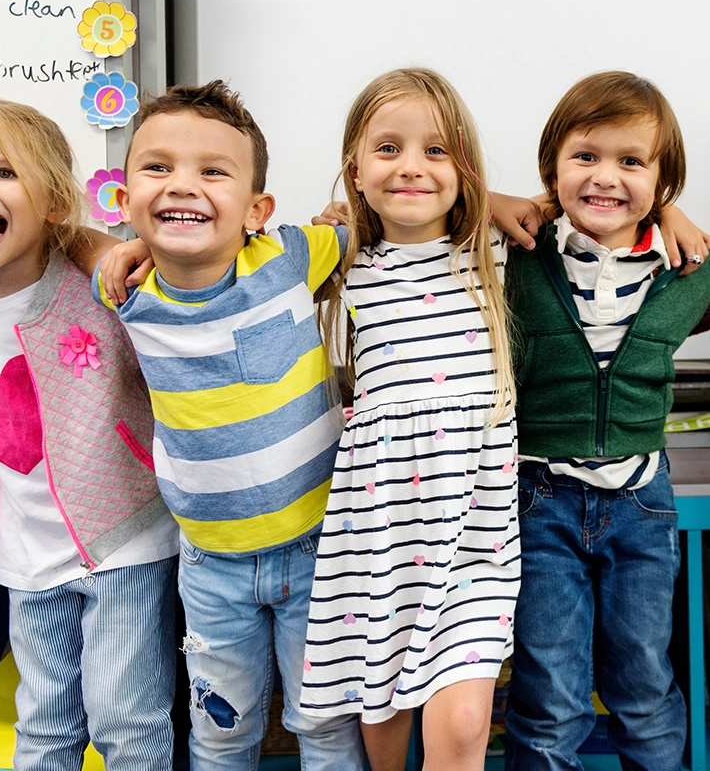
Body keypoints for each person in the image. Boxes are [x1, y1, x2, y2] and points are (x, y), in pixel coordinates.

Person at [92, 80, 364, 770]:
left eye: (212, 171)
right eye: (158, 168)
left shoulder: (289, 256)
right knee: (221, 732)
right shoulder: (124, 289)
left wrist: (347, 213)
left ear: (256, 210)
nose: (183, 185)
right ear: (125, 201)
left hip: (320, 549)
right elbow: (49, 238)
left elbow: (378, 219)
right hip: (211, 565)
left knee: (327, 727)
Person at [0, 97, 181, 771]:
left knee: (126, 723)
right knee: (43, 726)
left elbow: (154, 270)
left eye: (4, 172)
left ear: (56, 202)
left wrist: (95, 246)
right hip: (29, 558)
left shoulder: (98, 288)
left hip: (126, 539)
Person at [295, 67, 520, 771]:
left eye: (436, 150)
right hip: (380, 531)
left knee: (464, 722)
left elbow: (595, 202)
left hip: (475, 534)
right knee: (382, 725)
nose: (412, 167)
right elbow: (216, 259)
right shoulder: (340, 259)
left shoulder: (494, 250)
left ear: (465, 166)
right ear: (355, 168)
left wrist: (671, 212)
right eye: (388, 149)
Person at [502, 70, 710, 771]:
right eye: (585, 156)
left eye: (631, 162)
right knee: (549, 694)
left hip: (641, 505)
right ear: (553, 167)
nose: (605, 177)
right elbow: (439, 210)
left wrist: (673, 211)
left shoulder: (685, 268)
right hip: (542, 501)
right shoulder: (519, 253)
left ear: (661, 178)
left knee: (643, 685)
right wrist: (531, 203)